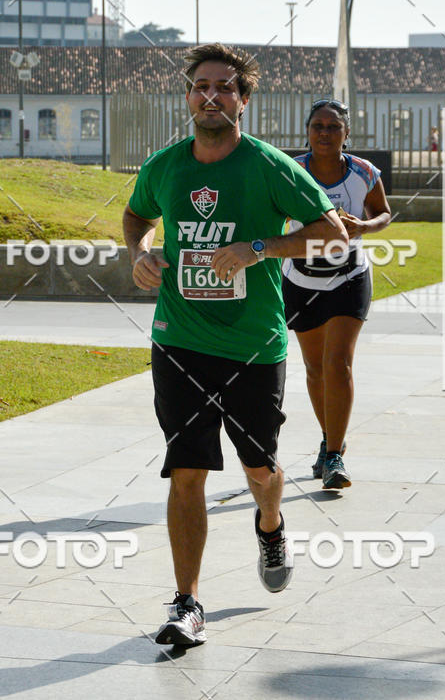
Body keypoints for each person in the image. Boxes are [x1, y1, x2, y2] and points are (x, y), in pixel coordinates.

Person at [123, 44, 347, 647]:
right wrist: (140, 254)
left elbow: (332, 233)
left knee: (259, 468)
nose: (211, 95)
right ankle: (186, 602)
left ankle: (270, 525)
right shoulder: (166, 165)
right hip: (178, 341)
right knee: (186, 471)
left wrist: (259, 249)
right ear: (188, 96)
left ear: (243, 100)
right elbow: (135, 214)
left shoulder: (268, 166)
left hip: (253, 344)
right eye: (201, 86)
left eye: (225, 87)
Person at [282, 99, 391, 490]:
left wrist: (363, 225)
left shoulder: (363, 171)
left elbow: (383, 213)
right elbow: (272, 216)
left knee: (339, 363)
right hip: (301, 279)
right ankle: (330, 440)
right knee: (314, 370)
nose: (324, 133)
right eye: (317, 126)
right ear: (308, 131)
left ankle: (333, 456)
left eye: (333, 127)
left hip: (349, 276)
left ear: (347, 133)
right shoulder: (292, 171)